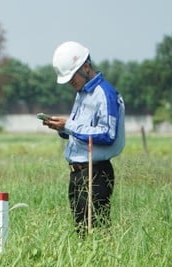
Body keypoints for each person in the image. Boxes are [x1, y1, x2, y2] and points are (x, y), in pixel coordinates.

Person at [41, 41, 125, 234]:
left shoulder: (104, 93)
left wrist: (68, 126)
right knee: (82, 231)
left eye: (72, 78)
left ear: (86, 67)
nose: (72, 83)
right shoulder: (82, 94)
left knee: (94, 230)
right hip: (79, 172)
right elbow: (82, 132)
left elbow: (107, 134)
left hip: (95, 173)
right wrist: (61, 129)